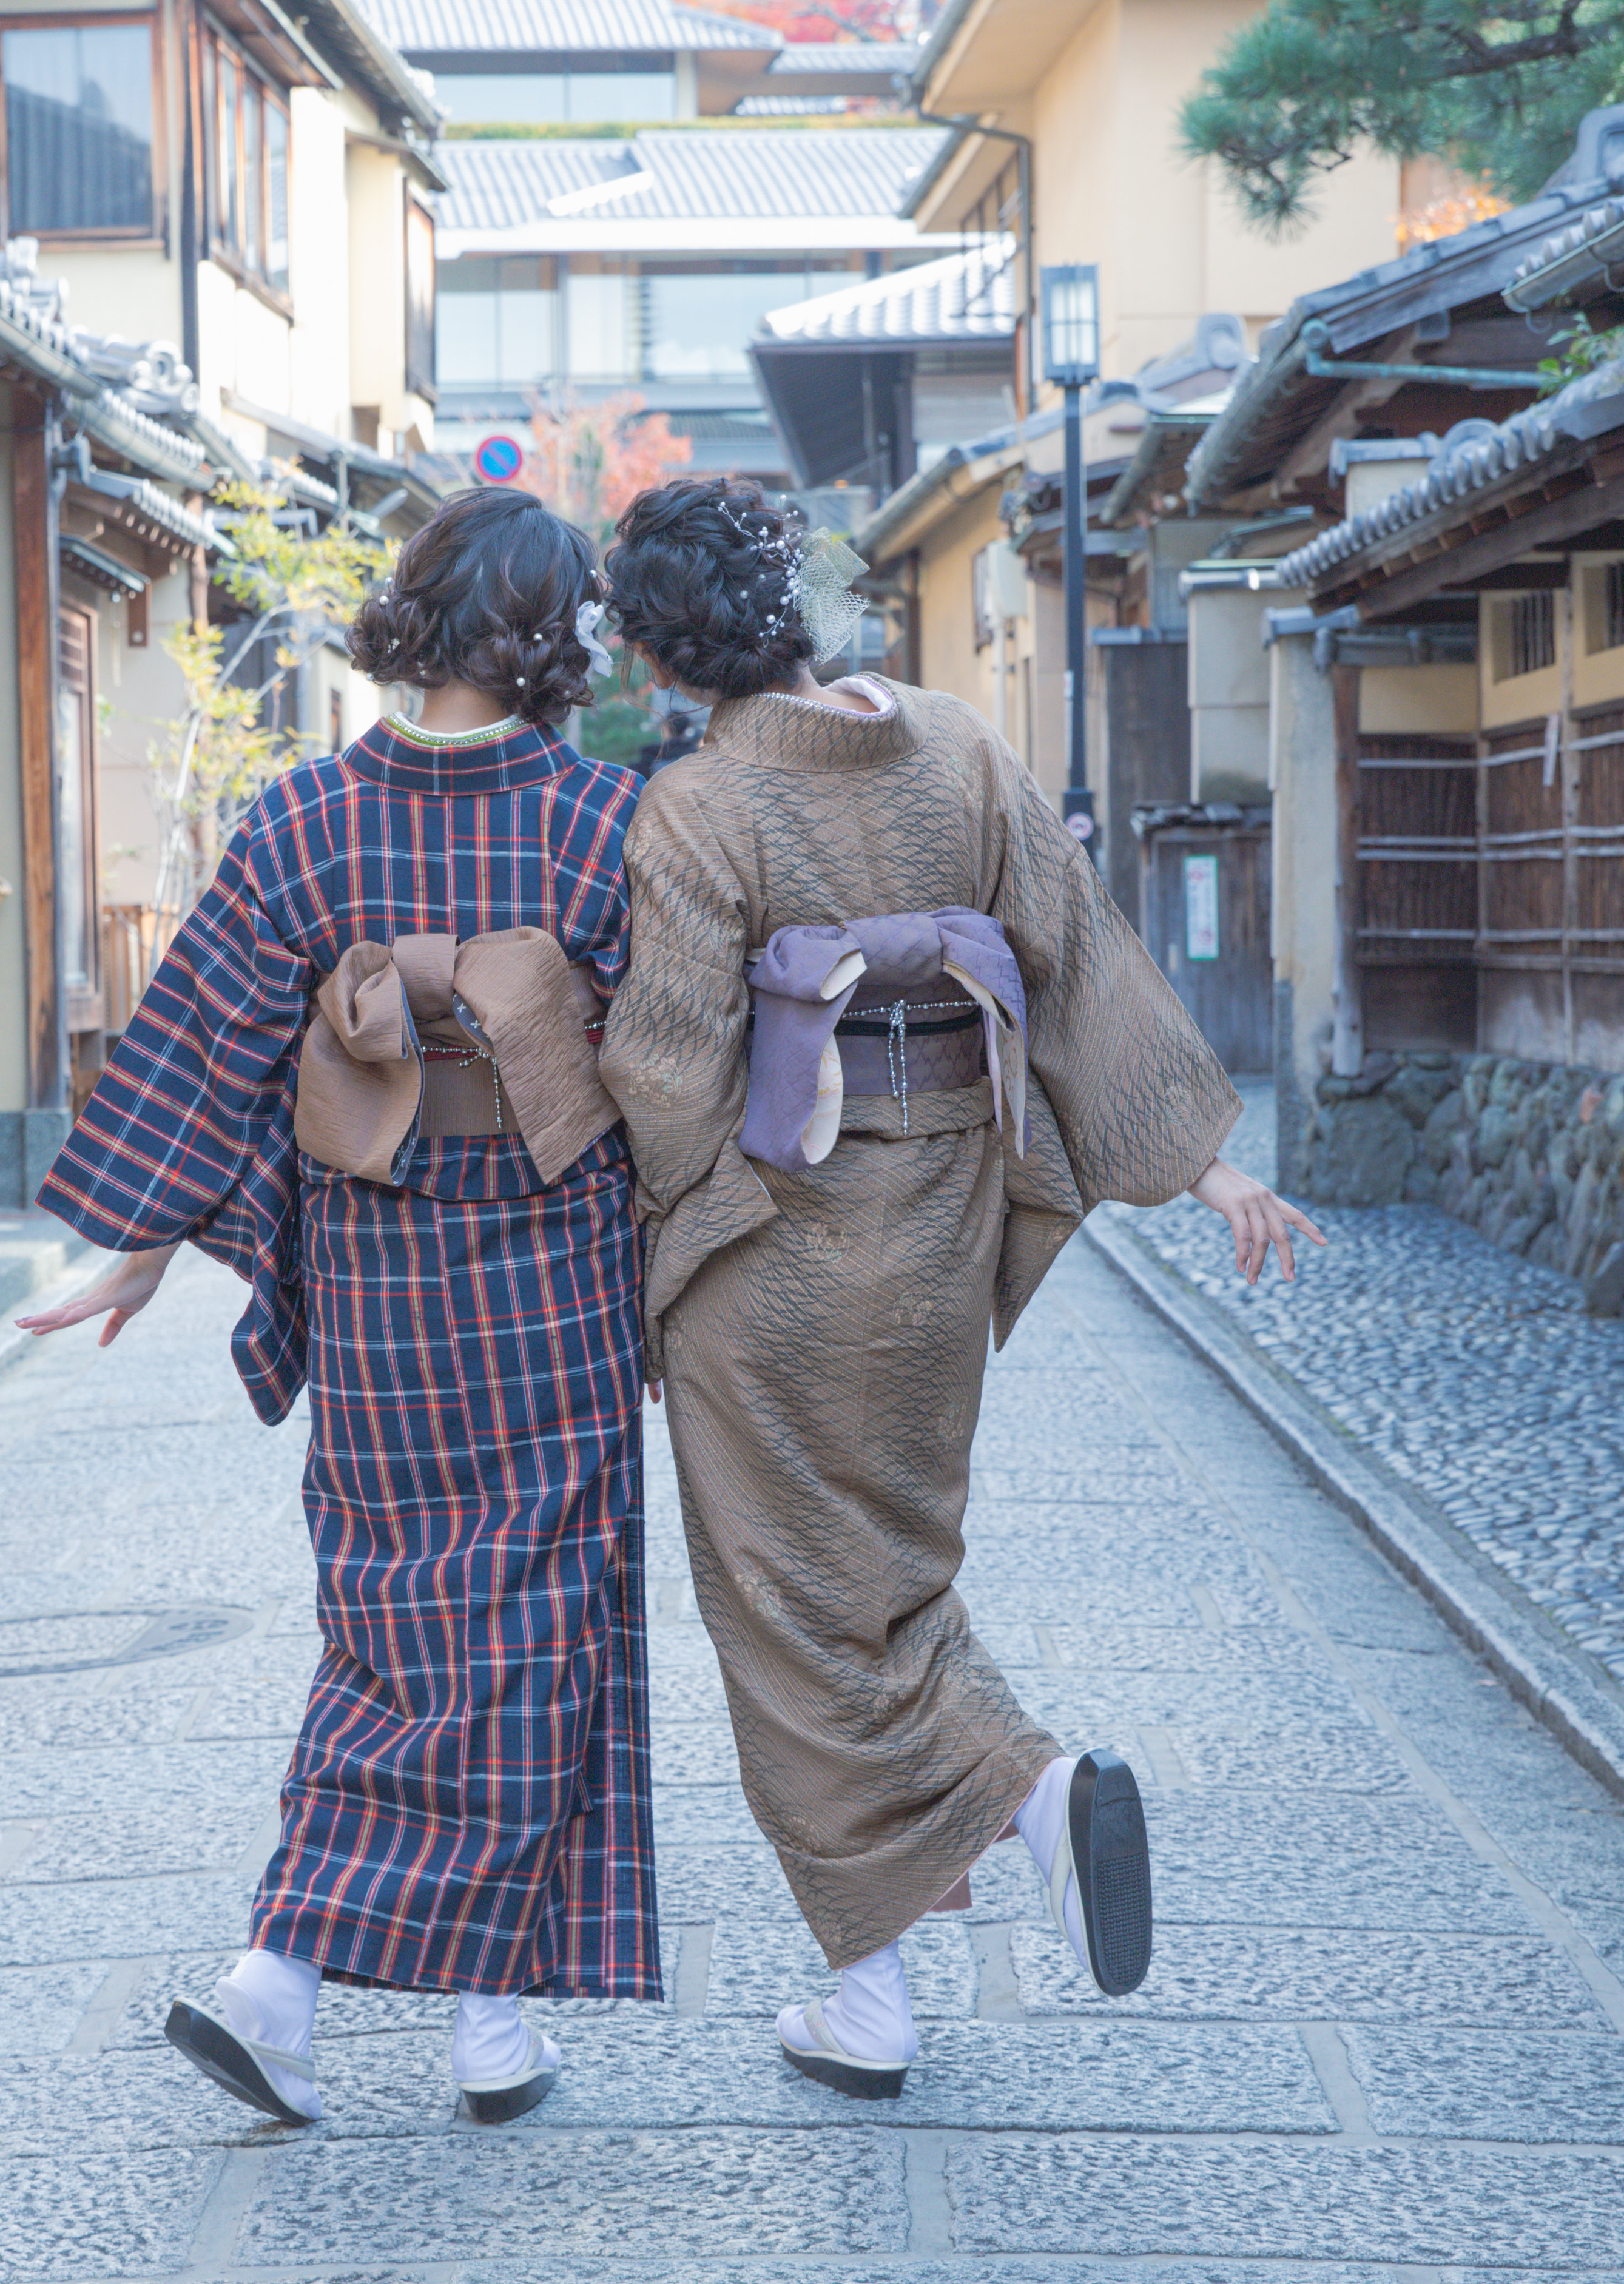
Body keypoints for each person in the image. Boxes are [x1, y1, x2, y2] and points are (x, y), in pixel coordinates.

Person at [593, 476, 1321, 2101]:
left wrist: (661, 1241)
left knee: (787, 1605)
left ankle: (996, 1834)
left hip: (776, 1243)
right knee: (894, 1573)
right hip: (934, 1220)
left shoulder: (701, 807)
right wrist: (1204, 1158)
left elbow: (664, 1073)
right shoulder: (952, 740)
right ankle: (903, 1955)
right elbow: (1078, 950)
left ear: (660, 644)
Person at [21, 485, 661, 2130]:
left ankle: (323, 1993)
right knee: (538, 1628)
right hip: (550, 1272)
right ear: (553, 637)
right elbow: (674, 1068)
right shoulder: (603, 825)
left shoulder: (302, 824)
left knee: (387, 1625)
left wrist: (146, 1239)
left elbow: (210, 1053)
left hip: (379, 1279)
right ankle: (449, 2019)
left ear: (420, 614)